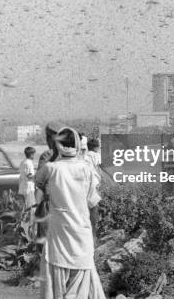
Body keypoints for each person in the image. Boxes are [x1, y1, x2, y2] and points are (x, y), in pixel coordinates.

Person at [35, 127, 105, 299]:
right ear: (78, 144)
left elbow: (40, 185)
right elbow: (93, 205)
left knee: (56, 273)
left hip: (59, 232)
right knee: (83, 272)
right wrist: (94, 234)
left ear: (58, 146)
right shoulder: (87, 169)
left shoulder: (51, 168)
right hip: (82, 231)